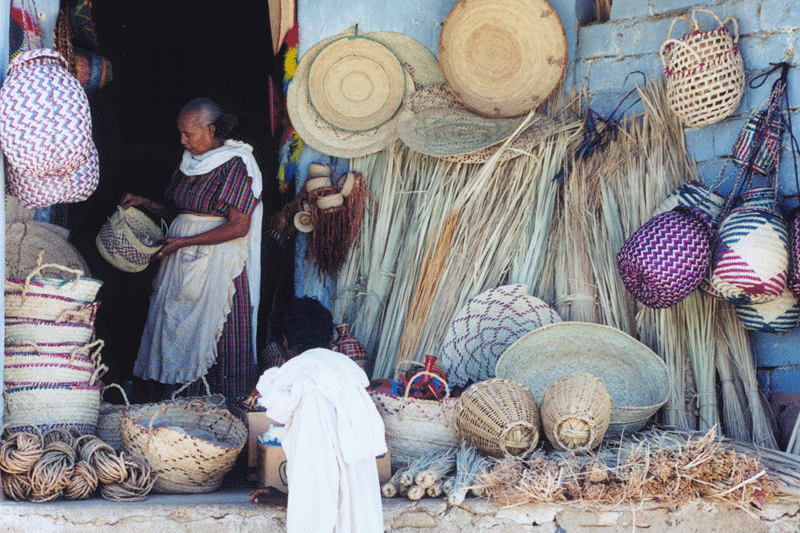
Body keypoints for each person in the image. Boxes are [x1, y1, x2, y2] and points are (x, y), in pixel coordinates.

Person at [122, 97, 263, 403]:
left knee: (206, 334)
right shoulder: (190, 162)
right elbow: (184, 211)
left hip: (215, 264)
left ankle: (210, 410)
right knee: (173, 329)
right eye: (181, 133)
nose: (182, 141)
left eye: (189, 134)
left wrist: (184, 242)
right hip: (181, 262)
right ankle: (169, 407)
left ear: (211, 129)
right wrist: (147, 204)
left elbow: (239, 226)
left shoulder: (235, 164)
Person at [251, 297, 386, 533]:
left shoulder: (309, 386)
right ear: (330, 340)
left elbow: (319, 481)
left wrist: (298, 506)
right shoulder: (345, 379)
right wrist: (289, 499)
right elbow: (341, 471)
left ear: (284, 342)